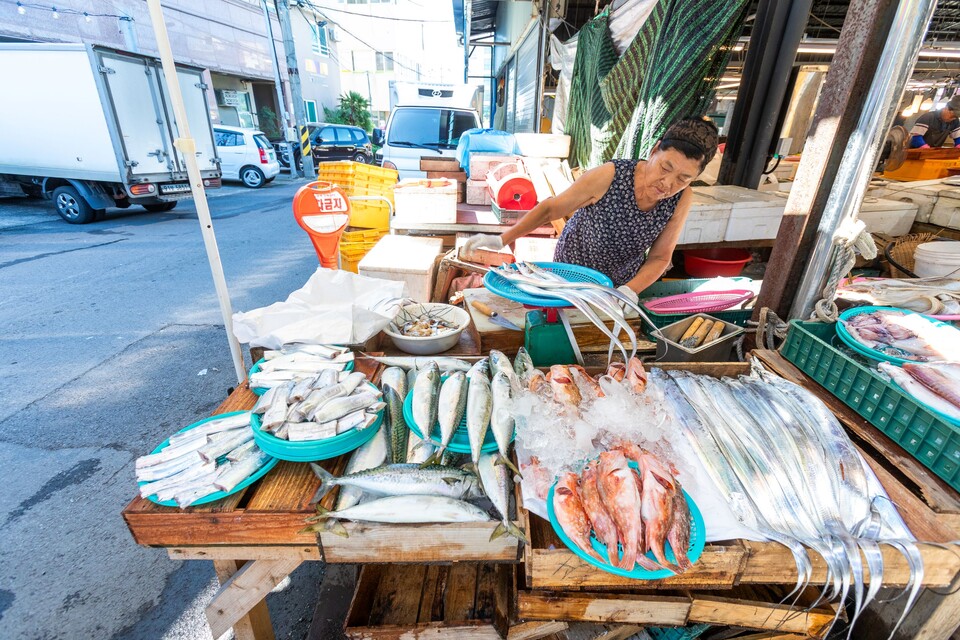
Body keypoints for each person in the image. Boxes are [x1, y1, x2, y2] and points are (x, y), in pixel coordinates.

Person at [462, 117, 719, 304]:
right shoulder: (610, 175)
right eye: (665, 168)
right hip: (568, 277)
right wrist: (502, 239)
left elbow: (660, 258)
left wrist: (628, 292)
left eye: (683, 178)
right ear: (654, 151)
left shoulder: (681, 198)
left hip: (619, 285)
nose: (667, 184)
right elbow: (551, 208)